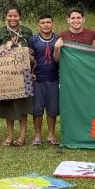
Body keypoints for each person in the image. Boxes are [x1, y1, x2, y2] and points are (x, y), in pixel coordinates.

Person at [0, 4, 34, 147]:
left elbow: (32, 52)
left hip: (23, 74)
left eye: (15, 15)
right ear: (5, 16)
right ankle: (10, 136)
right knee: (8, 106)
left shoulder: (27, 31)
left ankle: (22, 136)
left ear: (20, 16)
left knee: (23, 106)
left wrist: (28, 51)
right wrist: (1, 49)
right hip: (6, 75)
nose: (12, 18)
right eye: (10, 15)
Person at [30, 14, 60, 146]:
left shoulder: (58, 39)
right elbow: (30, 59)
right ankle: (37, 135)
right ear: (38, 25)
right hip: (38, 79)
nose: (46, 25)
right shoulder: (33, 40)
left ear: (52, 24)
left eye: (48, 22)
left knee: (52, 109)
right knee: (37, 109)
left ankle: (51, 134)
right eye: (43, 23)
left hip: (54, 78)